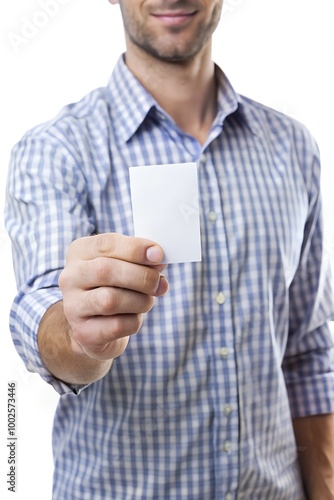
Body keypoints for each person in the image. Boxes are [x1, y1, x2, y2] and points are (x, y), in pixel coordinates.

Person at [5, 0, 334, 498]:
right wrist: (79, 334)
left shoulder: (292, 147)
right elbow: (44, 311)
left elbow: (308, 349)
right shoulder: (57, 150)